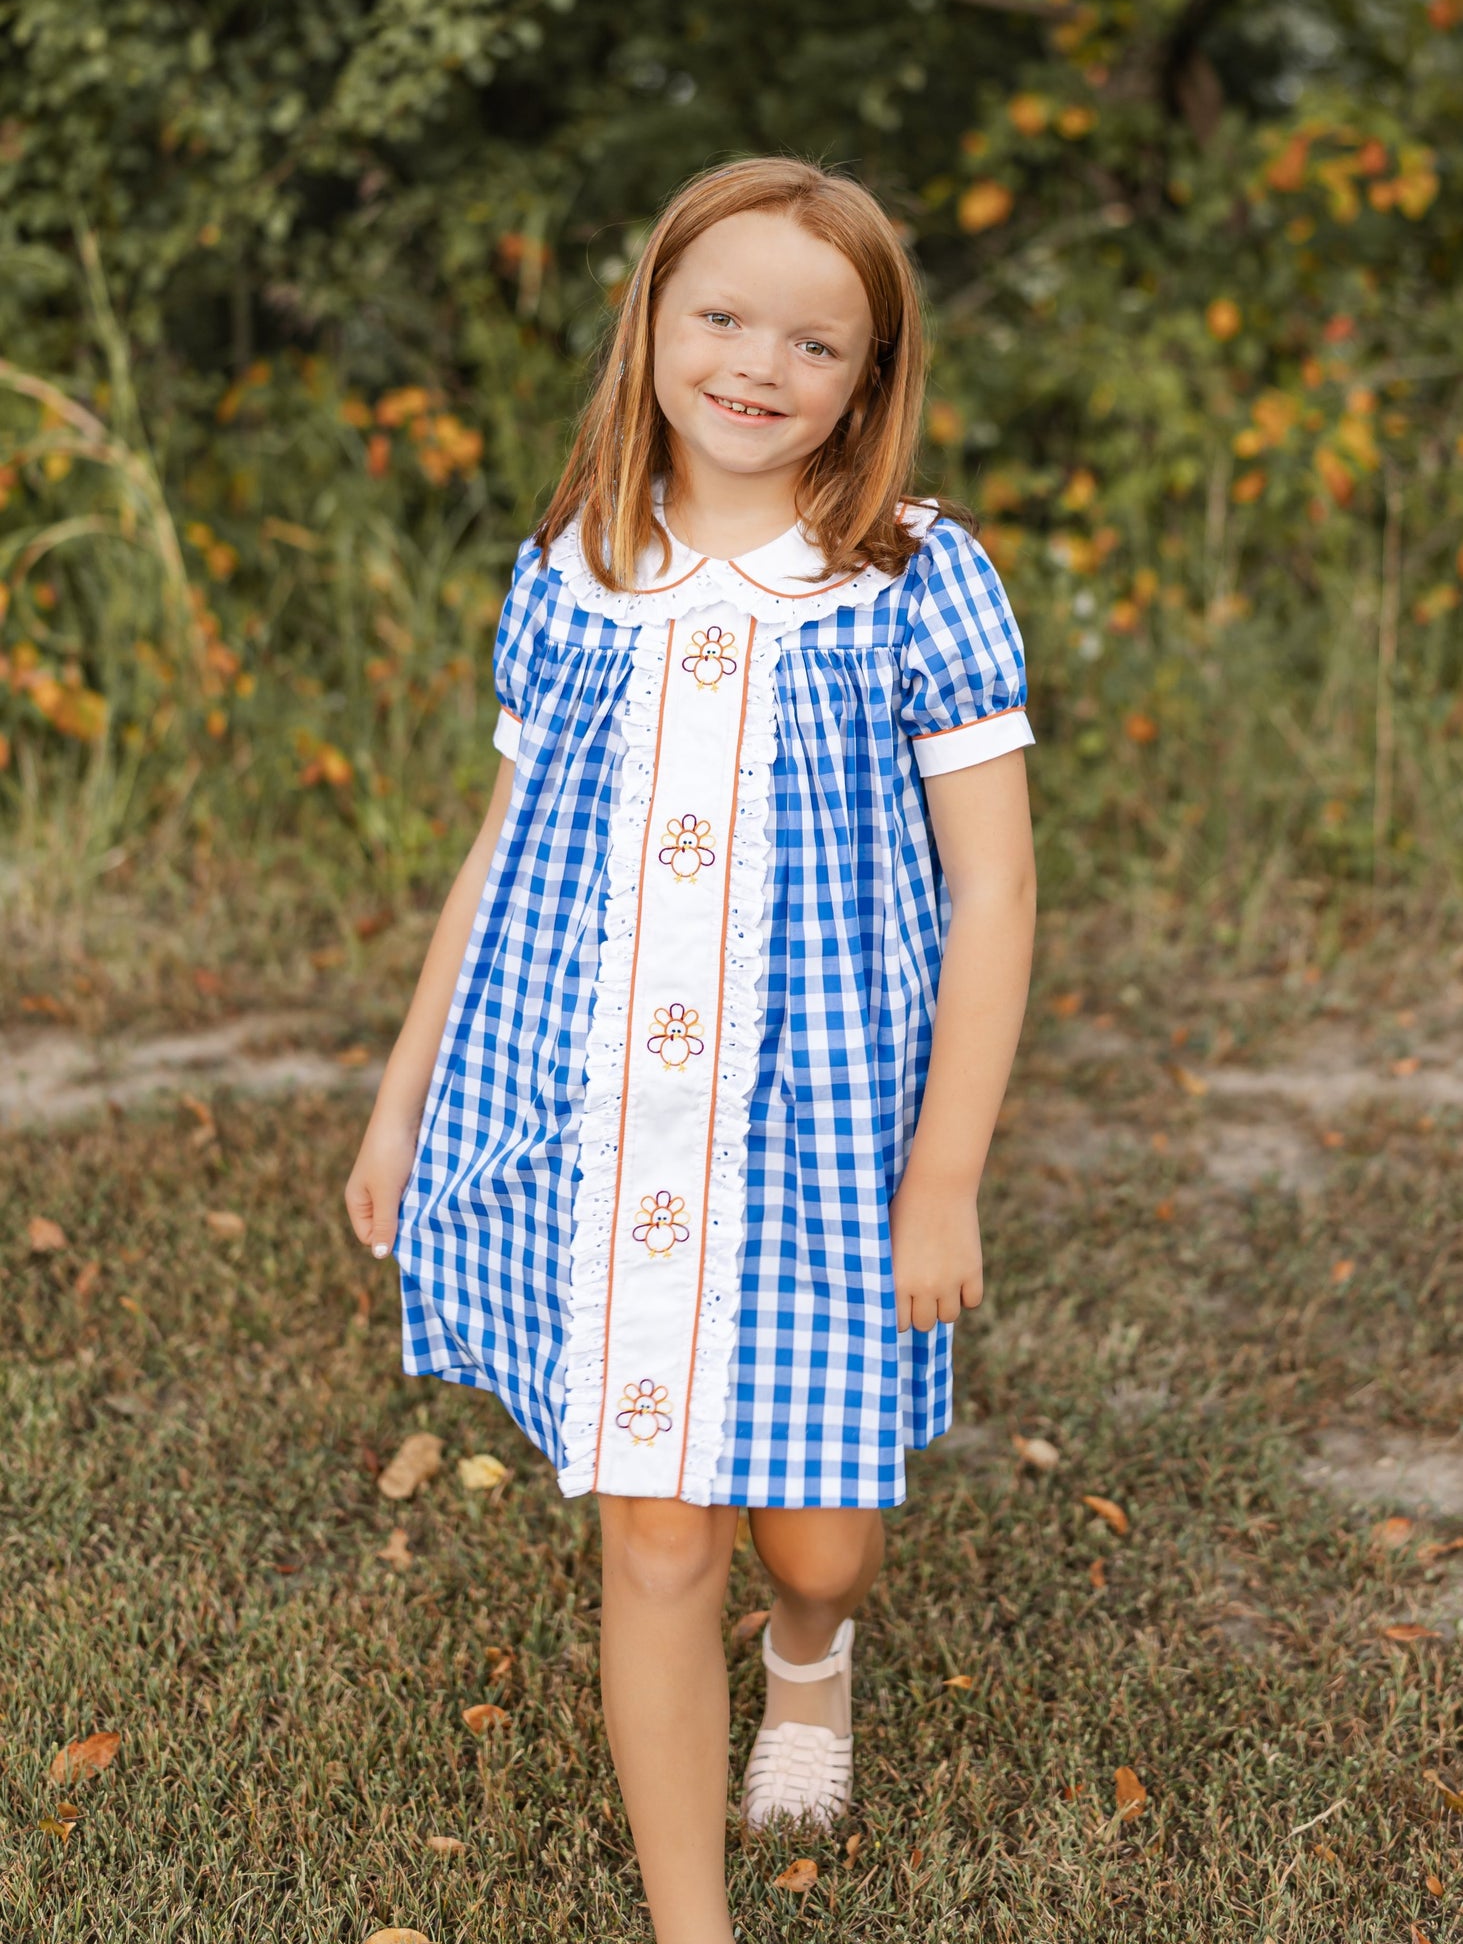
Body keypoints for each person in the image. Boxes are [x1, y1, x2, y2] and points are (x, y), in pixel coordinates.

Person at [345, 154, 1036, 1944]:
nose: (755, 363)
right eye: (718, 315)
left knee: (812, 1534)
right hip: (604, 1120)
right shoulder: (576, 570)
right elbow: (500, 852)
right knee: (657, 1537)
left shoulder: (908, 581)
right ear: (651, 318)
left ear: (867, 376)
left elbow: (998, 888)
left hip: (820, 1139)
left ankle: (813, 1652)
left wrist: (945, 1172)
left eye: (814, 339)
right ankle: (690, 1925)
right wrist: (404, 1090)